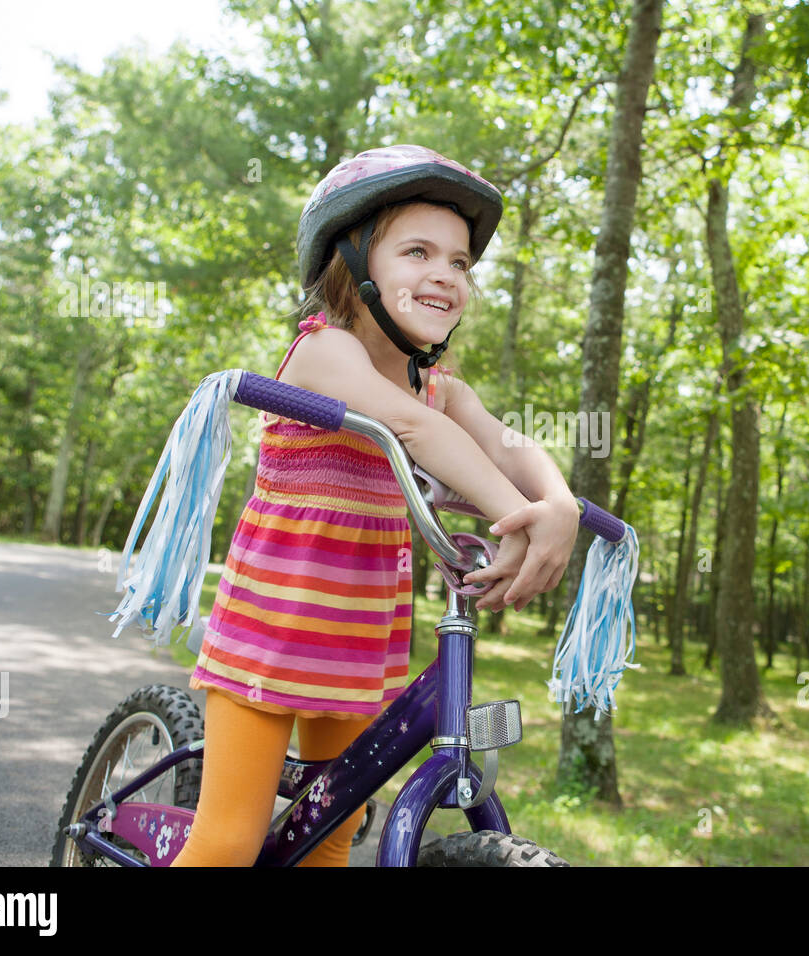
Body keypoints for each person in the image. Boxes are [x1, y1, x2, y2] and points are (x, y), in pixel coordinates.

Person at [171, 144, 581, 866]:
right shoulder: (323, 353)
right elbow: (418, 430)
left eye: (460, 262)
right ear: (352, 264)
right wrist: (515, 515)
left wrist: (558, 501)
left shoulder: (441, 384)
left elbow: (507, 442)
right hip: (270, 634)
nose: (446, 275)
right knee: (229, 843)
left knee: (329, 839)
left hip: (358, 645)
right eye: (418, 251)